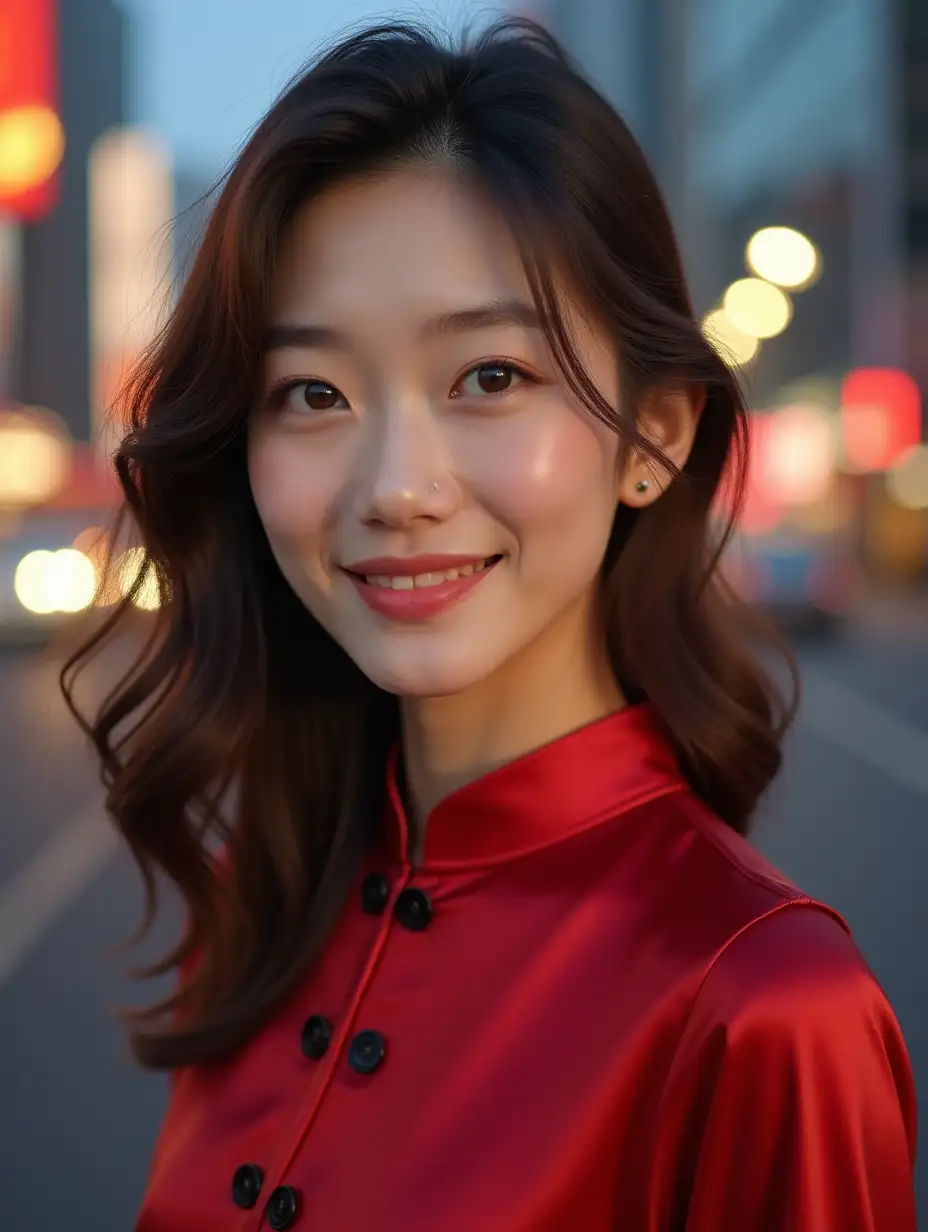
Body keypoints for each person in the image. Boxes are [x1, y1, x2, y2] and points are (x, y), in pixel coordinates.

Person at [62, 18, 917, 1232]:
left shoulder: (766, 1005)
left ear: (654, 435)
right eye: (314, 393)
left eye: (489, 377)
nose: (395, 487)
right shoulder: (266, 903)